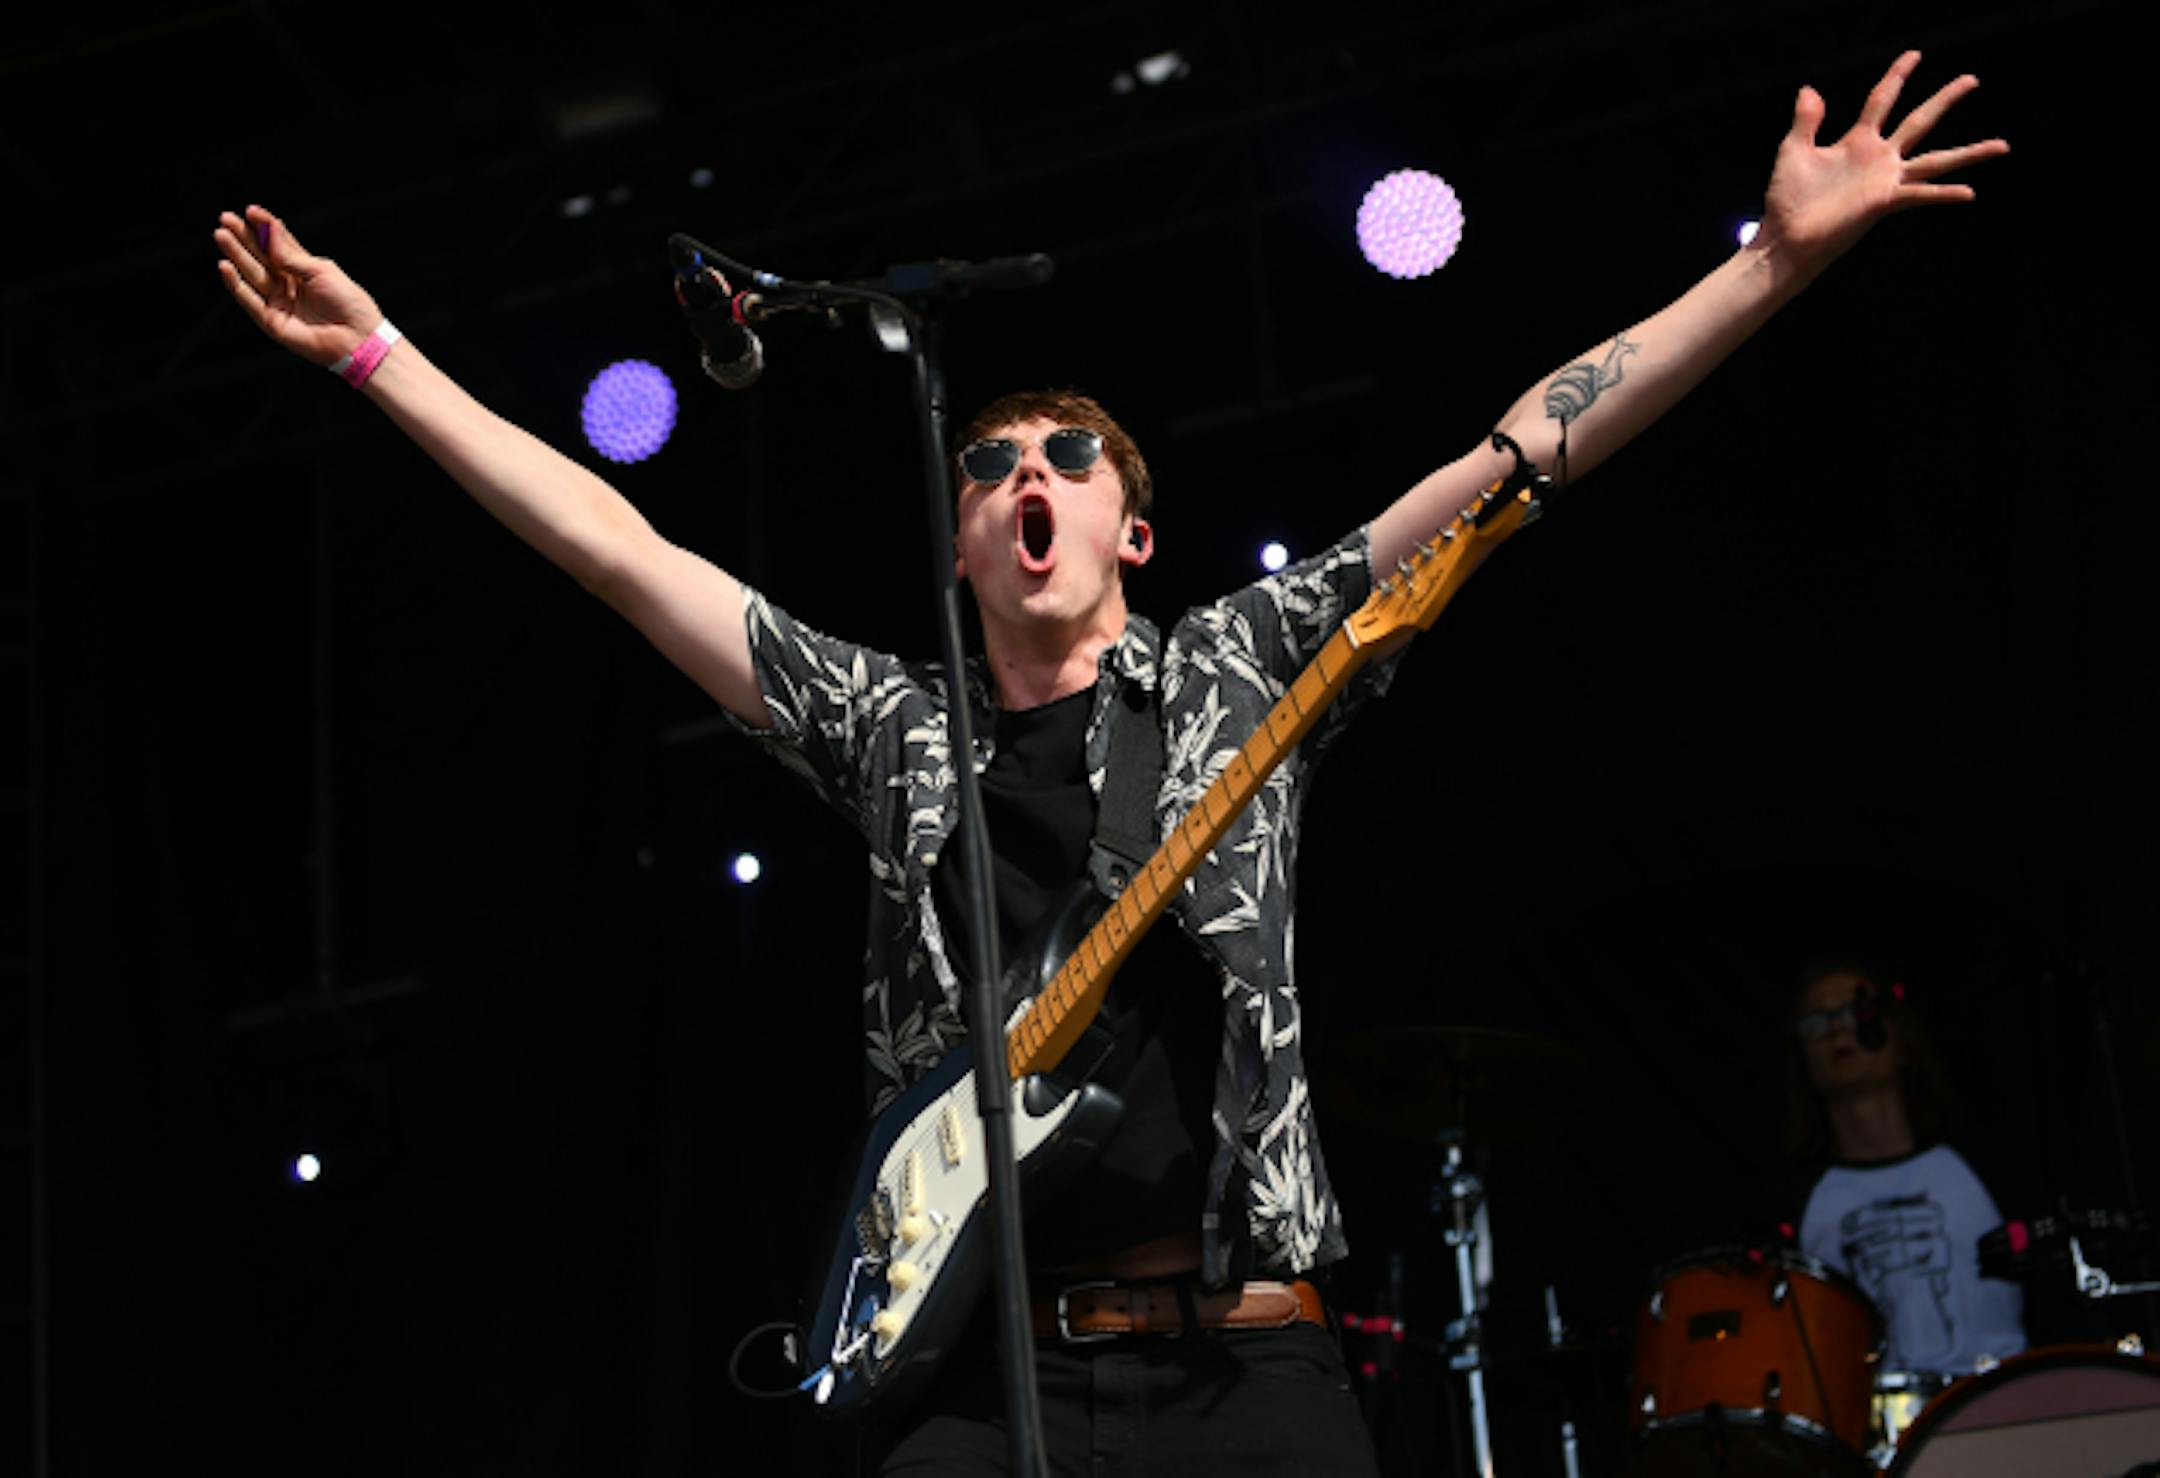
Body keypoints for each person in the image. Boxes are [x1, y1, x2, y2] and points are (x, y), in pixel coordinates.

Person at [213, 51, 2007, 1477]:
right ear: (967, 538)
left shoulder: (1242, 669)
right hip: (984, 1379)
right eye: (997, 465)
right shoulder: (890, 725)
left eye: (1072, 456)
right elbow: (617, 547)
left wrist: (1771, 265)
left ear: (1132, 532)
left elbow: (1525, 447)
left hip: (1249, 1358)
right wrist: (378, 357)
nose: (1031, 478)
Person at [1784, 956, 2029, 1377]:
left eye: (1854, 1011)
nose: (1838, 1029)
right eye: (1817, 1022)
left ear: (1900, 1038)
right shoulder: (1794, 1201)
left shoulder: (1986, 1166)